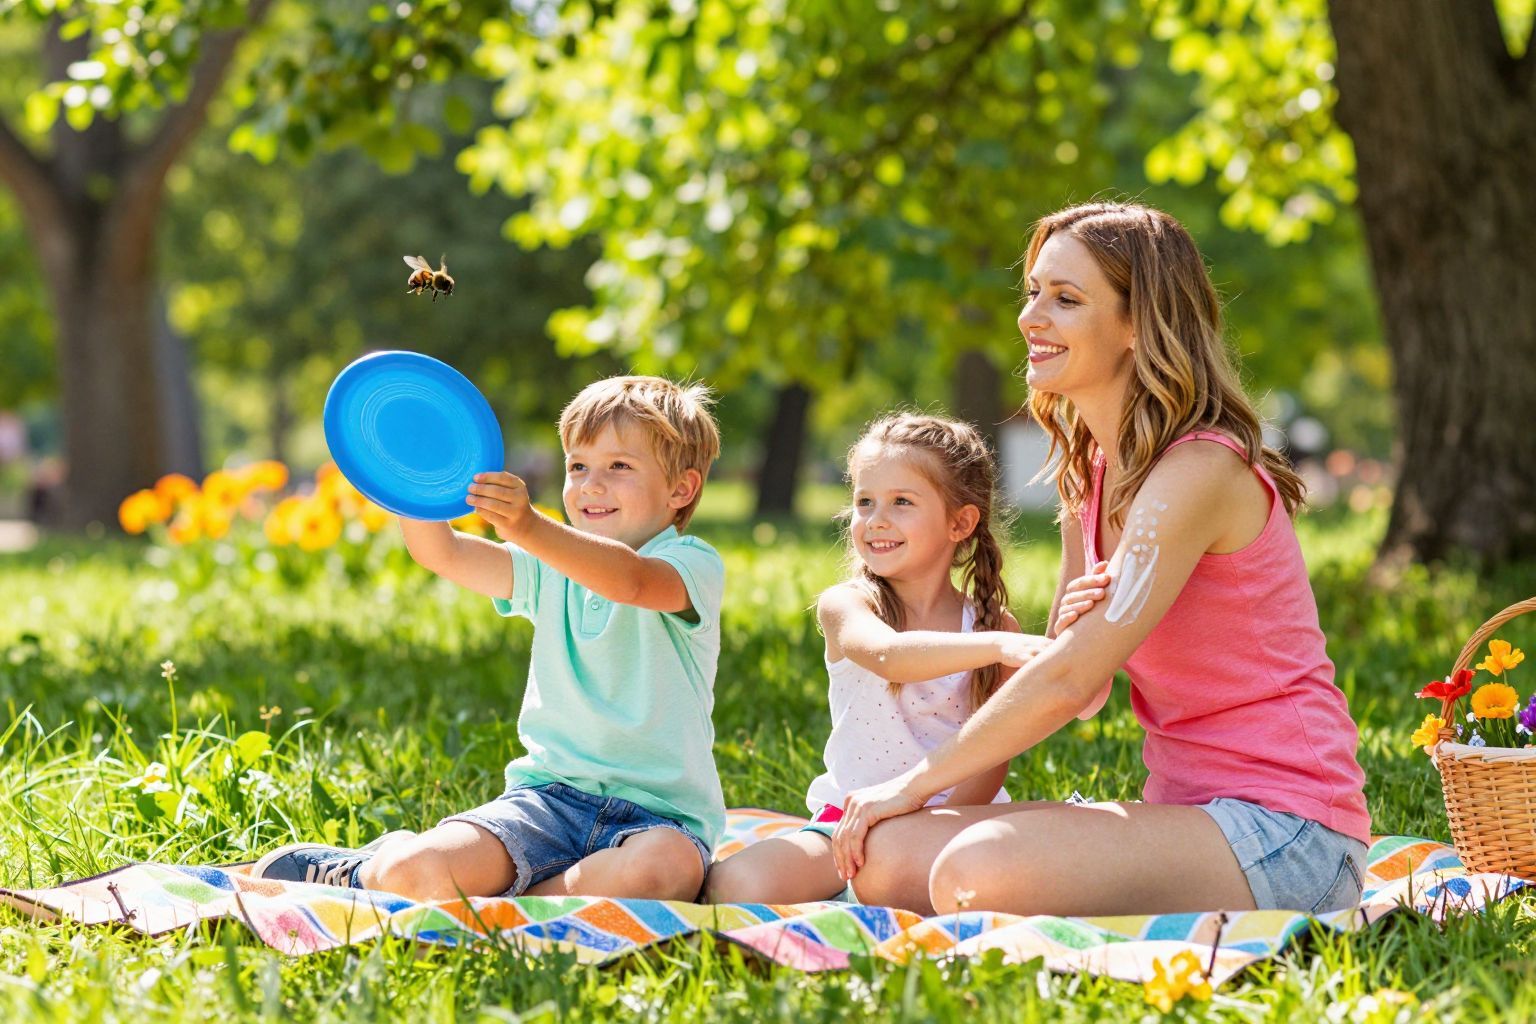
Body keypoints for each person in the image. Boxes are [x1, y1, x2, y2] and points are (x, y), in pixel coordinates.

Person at [829, 202, 1371, 918]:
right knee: (884, 858)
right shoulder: (1090, 470)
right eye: (1033, 293)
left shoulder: (1199, 471)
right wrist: (1068, 643)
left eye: (1066, 299)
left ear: (1138, 323)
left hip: (1289, 835)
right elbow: (1079, 690)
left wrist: (912, 782)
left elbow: (1070, 681)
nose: (1031, 318)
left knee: (972, 870)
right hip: (1189, 816)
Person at [253, 376, 727, 903]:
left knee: (665, 875)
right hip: (547, 802)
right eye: (577, 466)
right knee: (417, 872)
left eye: (619, 467)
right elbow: (446, 554)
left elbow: (630, 580)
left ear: (681, 489)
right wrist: (414, 480)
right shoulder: (549, 566)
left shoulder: (692, 565)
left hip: (658, 821)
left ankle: (503, 895)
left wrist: (529, 527)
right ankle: (368, 869)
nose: (591, 484)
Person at [705, 413, 1087, 905]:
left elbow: (990, 761)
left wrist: (917, 829)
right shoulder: (848, 605)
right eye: (865, 502)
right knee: (737, 885)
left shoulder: (995, 627)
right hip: (846, 825)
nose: (876, 520)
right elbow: (889, 656)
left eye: (901, 502)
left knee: (999, 881)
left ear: (960, 522)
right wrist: (997, 646)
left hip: (950, 826)